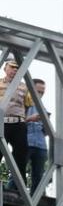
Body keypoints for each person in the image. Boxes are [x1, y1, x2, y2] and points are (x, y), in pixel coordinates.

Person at [0, 56, 32, 189]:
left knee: (20, 156)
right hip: (2, 123)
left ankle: (20, 187)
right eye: (12, 67)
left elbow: (28, 105)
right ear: (5, 67)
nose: (14, 70)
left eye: (17, 68)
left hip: (18, 124)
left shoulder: (24, 87)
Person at [25, 79, 49, 195]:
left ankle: (35, 200)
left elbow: (46, 132)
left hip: (40, 144)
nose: (40, 94)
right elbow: (14, 123)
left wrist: (46, 125)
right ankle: (11, 194)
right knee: (18, 172)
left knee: (38, 176)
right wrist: (30, 118)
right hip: (26, 142)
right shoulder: (23, 104)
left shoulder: (42, 108)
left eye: (42, 92)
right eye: (38, 91)